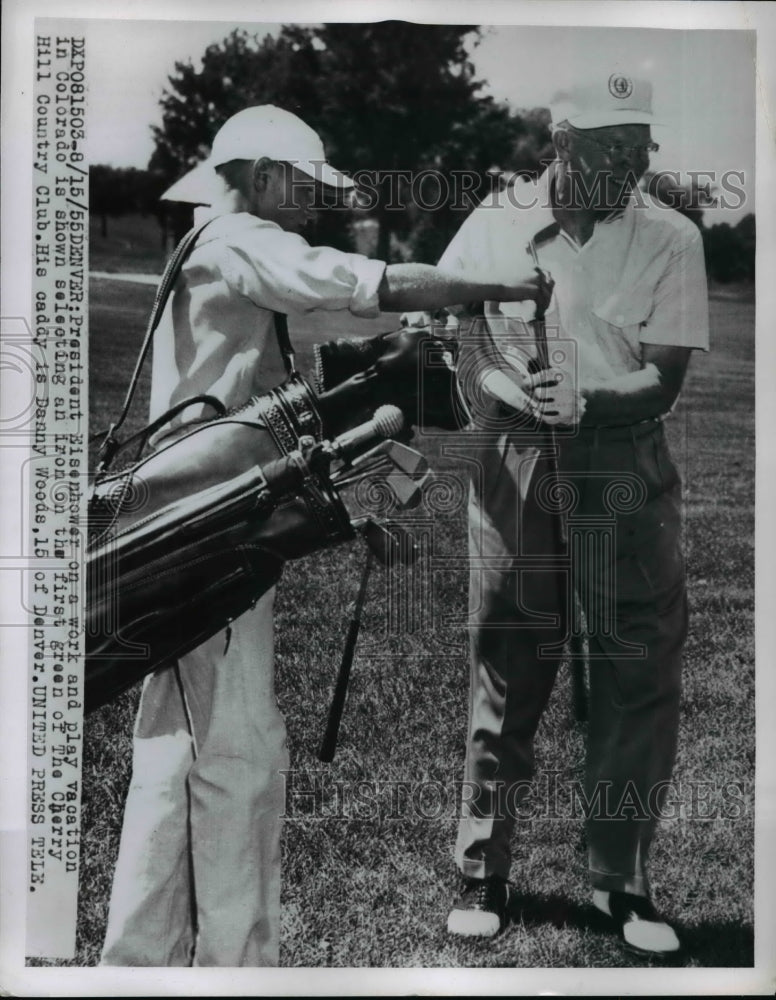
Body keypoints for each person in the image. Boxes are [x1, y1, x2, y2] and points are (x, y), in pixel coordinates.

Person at [99, 104, 552, 967]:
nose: (311, 206)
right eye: (304, 189)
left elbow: (271, 408)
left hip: (197, 520)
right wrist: (495, 286)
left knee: (177, 749)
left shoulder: (215, 249)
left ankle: (140, 963)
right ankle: (237, 970)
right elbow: (363, 282)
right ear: (264, 175)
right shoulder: (239, 239)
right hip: (205, 532)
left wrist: (354, 506)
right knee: (237, 753)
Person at [434, 73, 709, 955]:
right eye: (610, 148)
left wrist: (587, 398)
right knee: (511, 654)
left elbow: (663, 378)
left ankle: (619, 884)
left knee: (636, 665)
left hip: (622, 458)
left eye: (641, 150)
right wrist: (496, 382)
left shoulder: (672, 236)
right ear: (560, 139)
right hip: (515, 455)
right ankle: (484, 868)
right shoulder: (498, 217)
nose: (631, 166)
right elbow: (459, 319)